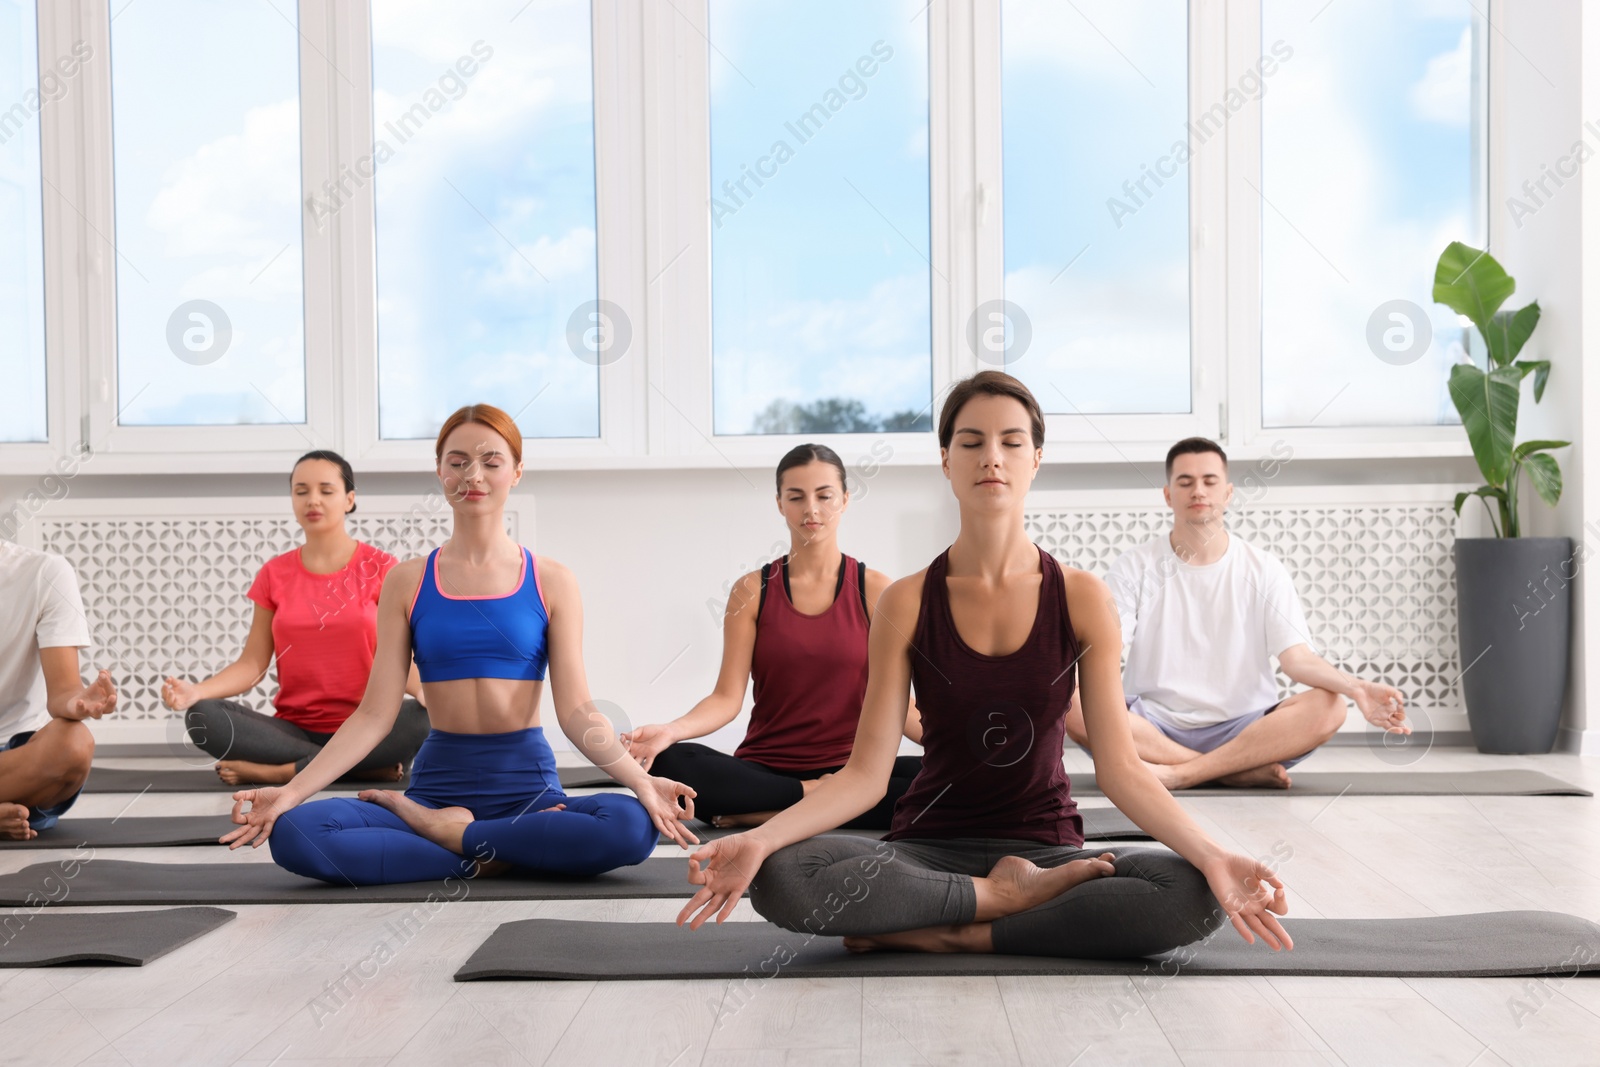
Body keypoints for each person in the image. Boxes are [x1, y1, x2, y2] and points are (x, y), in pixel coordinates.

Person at [677, 372, 1292, 959]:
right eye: (971, 442)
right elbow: (865, 777)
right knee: (785, 875)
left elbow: (1123, 771)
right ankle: (998, 901)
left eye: (1010, 441)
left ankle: (954, 933)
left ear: (1036, 458)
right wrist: (758, 840)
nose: (990, 457)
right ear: (947, 462)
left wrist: (1214, 856)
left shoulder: (1081, 598)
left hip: (1048, 850)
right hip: (926, 848)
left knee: (1189, 896)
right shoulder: (907, 600)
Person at [221, 404, 697, 884]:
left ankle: (455, 840)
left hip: (527, 791)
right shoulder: (406, 581)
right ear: (439, 470)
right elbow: (373, 715)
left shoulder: (552, 580)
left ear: (516, 472)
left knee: (632, 826)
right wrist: (289, 793)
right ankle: (501, 850)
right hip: (433, 792)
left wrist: (641, 782)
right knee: (298, 833)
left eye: (492, 461)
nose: (474, 474)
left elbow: (576, 711)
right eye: (458, 461)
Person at [1065, 438, 1410, 790]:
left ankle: (1181, 774)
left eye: (1210, 481)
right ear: (1168, 495)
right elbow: (1106, 646)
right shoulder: (1133, 565)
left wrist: (1359, 689)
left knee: (1331, 706)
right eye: (1185, 482)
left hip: (1245, 729)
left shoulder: (1264, 568)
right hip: (1152, 727)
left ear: (1228, 493)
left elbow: (1298, 660)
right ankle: (1231, 771)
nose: (1198, 490)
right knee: (1069, 700)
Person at [623, 444, 923, 830]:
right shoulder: (751, 591)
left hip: (856, 767)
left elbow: (900, 702)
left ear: (845, 500)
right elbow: (726, 698)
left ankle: (774, 813)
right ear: (780, 503)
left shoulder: (877, 590)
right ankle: (817, 798)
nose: (811, 509)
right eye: (796, 497)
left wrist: (960, 751)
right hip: (767, 770)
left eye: (824, 495)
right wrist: (669, 731)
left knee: (949, 779)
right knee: (670, 763)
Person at [161, 450, 430, 786]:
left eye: (326, 491)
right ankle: (356, 767)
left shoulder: (382, 568)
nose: (312, 500)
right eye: (301, 491)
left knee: (423, 717)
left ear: (349, 499)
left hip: (366, 721)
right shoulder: (274, 574)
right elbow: (252, 664)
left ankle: (283, 772)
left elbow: (397, 659)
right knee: (203, 717)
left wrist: (429, 693)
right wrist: (196, 691)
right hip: (292, 729)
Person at [0, 539, 118, 839]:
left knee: (75, 744)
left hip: (14, 758)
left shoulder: (45, 571)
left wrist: (79, 701)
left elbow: (63, 692)